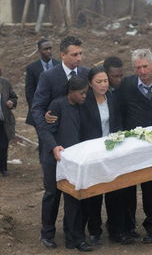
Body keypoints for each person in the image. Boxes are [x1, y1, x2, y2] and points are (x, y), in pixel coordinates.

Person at [31, 36, 90, 248]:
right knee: (52, 192)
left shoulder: (85, 73)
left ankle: (73, 234)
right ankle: (47, 232)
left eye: (81, 54)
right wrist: (49, 138)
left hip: (78, 145)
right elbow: (37, 109)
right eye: (74, 55)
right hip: (53, 145)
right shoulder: (49, 76)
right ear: (62, 55)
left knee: (75, 191)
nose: (79, 58)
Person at [37, 76, 92, 251]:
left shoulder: (81, 107)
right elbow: (46, 130)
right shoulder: (57, 105)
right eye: (82, 93)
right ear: (72, 92)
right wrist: (54, 147)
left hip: (73, 162)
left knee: (73, 198)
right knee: (52, 196)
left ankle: (74, 238)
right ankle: (47, 234)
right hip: (54, 160)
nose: (85, 96)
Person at [119, 48, 152, 244]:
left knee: (150, 186)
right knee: (129, 185)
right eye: (137, 67)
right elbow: (121, 111)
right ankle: (130, 226)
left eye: (145, 66)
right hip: (132, 145)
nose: (141, 71)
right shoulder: (127, 84)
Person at [79, 66, 132, 245]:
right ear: (90, 83)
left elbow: (119, 122)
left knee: (116, 191)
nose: (103, 85)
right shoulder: (85, 102)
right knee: (94, 193)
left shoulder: (113, 97)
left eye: (105, 81)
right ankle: (94, 231)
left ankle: (117, 230)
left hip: (112, 151)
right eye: (99, 82)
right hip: (93, 152)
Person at [25, 38, 59, 127]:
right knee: (43, 138)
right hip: (40, 109)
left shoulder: (59, 65)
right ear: (39, 50)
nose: (49, 51)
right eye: (45, 49)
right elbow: (29, 91)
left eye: (50, 48)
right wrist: (36, 110)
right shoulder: (32, 68)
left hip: (57, 109)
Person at [0, 69, 18, 177]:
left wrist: (12, 102)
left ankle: (3, 168)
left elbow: (14, 97)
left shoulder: (5, 83)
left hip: (4, 120)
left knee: (3, 146)